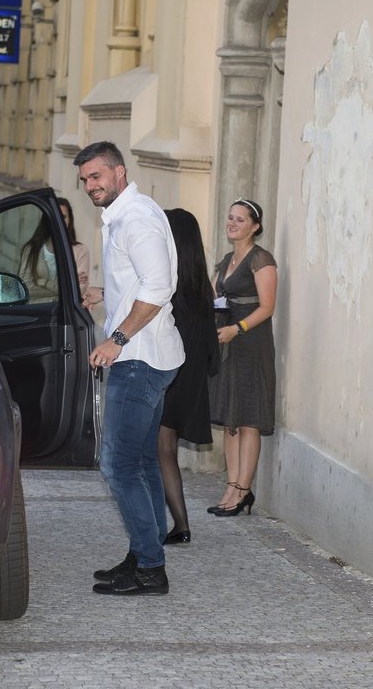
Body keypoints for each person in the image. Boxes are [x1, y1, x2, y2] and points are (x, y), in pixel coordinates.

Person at [75, 141, 184, 596]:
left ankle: (150, 567)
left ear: (119, 172)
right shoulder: (129, 212)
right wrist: (109, 293)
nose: (89, 186)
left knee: (117, 466)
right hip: (150, 356)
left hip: (138, 360)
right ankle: (144, 554)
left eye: (96, 176)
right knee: (140, 462)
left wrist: (116, 339)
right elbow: (143, 280)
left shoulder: (134, 218)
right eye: (83, 180)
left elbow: (159, 286)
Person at [206, 198, 277, 517]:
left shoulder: (262, 260)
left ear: (255, 226)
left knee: (248, 420)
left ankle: (243, 489)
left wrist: (238, 328)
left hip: (250, 343)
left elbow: (267, 307)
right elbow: (211, 296)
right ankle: (231, 486)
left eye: (240, 219)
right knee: (231, 422)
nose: (232, 223)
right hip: (226, 343)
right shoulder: (225, 260)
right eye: (230, 218)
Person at [158, 208, 220, 544]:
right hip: (190, 380)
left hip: (167, 376)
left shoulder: (168, 285)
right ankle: (178, 524)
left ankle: (179, 525)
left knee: (159, 450)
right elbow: (212, 352)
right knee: (163, 450)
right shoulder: (201, 290)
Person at [58, 197, 90, 294]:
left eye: (63, 217)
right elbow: (29, 286)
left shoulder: (81, 251)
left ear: (69, 220)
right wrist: (70, 279)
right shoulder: (33, 248)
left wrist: (42, 282)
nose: (59, 220)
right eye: (56, 216)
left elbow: (79, 289)